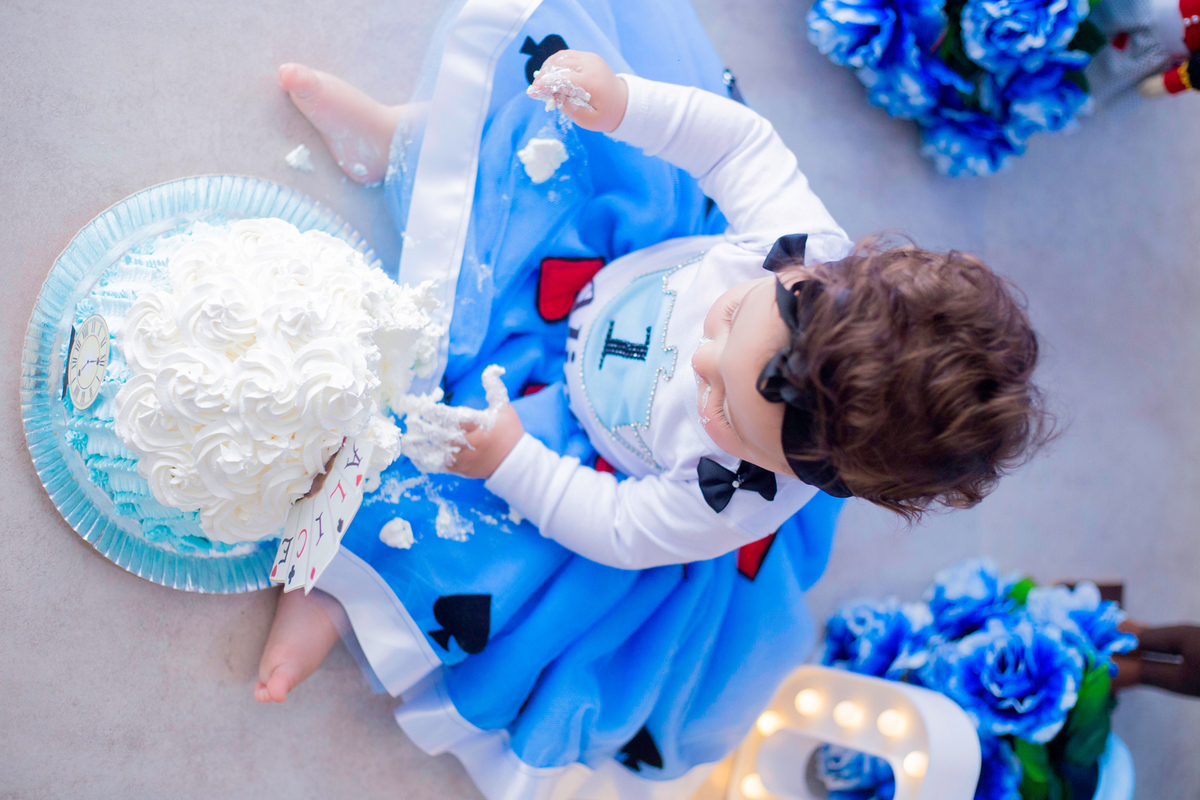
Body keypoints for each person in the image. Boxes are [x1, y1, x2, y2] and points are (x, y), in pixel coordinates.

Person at [256, 3, 1051, 797]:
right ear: (810, 276)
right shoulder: (801, 243)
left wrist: (511, 461)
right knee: (551, 148)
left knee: (478, 545)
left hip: (571, 442)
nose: (700, 358)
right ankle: (403, 144)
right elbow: (735, 144)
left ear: (800, 470)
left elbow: (618, 527)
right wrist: (623, 106)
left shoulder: (740, 500)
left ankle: (343, 597)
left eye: (726, 410)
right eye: (731, 320)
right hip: (604, 259)